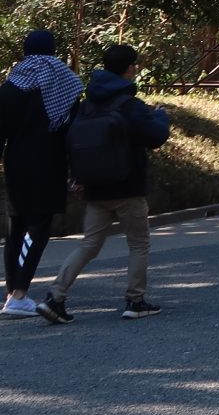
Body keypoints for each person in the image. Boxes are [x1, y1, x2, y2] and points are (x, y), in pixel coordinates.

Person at [36, 43, 170, 324]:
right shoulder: (129, 105)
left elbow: (73, 143)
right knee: (138, 244)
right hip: (128, 187)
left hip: (95, 187)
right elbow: (156, 136)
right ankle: (135, 300)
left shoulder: (87, 105)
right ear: (130, 68)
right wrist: (161, 115)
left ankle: (55, 296)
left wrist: (77, 177)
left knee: (89, 244)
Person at [0, 30, 81, 318]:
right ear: (52, 50)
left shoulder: (10, 86)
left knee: (16, 228)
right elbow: (73, 133)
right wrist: (77, 170)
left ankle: (13, 294)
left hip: (16, 163)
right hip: (49, 163)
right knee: (38, 229)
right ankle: (20, 293)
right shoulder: (67, 84)